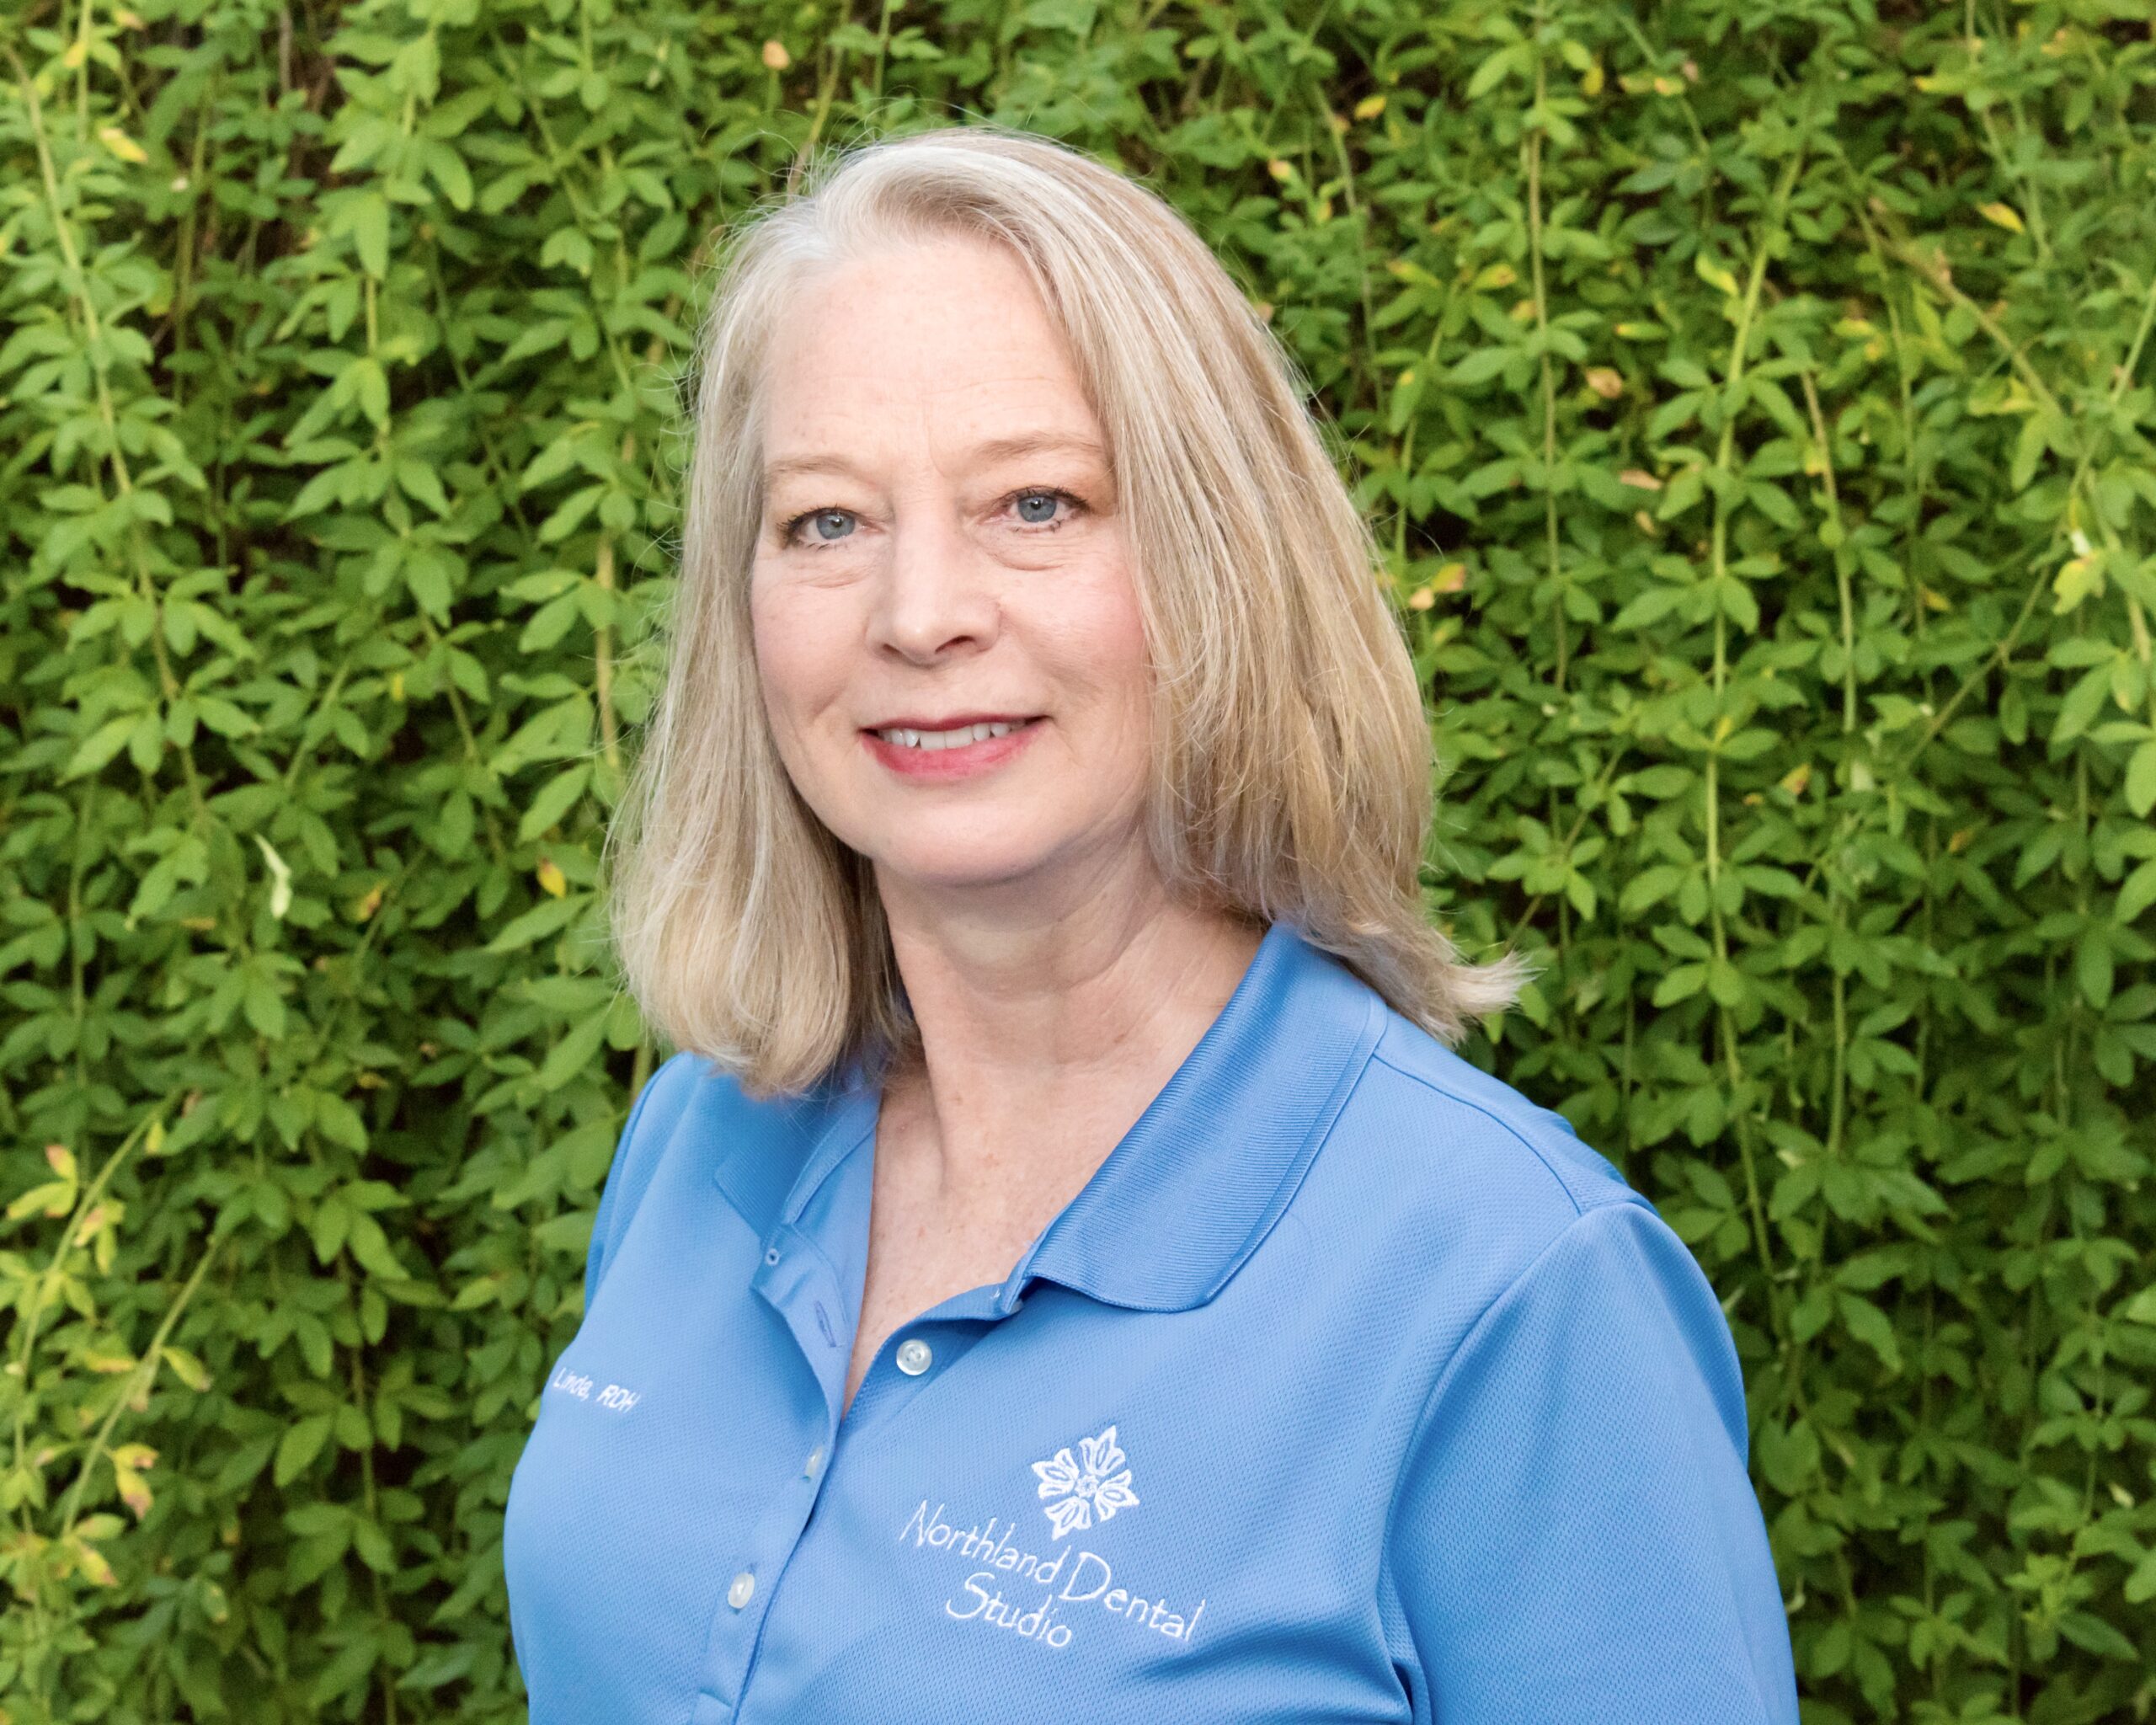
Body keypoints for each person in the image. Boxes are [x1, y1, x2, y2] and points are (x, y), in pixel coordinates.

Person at [501, 124, 1801, 1725]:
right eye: (826, 522)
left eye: (1036, 503)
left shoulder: (1511, 1287)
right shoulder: (705, 1141)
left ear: (1218, 566)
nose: (920, 615)